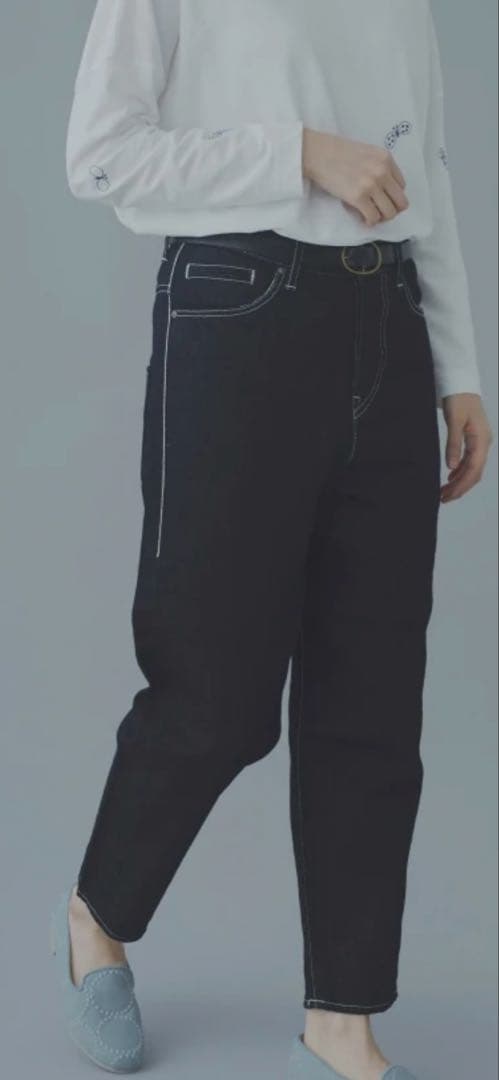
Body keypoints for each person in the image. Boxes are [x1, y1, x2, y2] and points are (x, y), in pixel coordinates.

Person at [51, 2, 494, 1078]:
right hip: (238, 313)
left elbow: (423, 167)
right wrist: (296, 154)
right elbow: (102, 156)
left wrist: (458, 367)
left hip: (388, 323)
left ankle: (341, 1020)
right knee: (214, 695)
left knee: (373, 702)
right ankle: (98, 915)